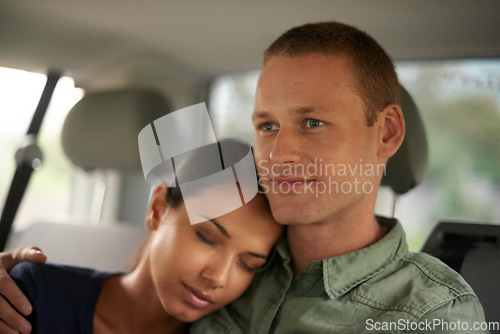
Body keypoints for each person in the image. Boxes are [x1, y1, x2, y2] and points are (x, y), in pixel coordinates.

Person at [0, 21, 488, 334]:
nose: (280, 153)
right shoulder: (236, 273)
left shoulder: (431, 316)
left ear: (385, 134)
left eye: (313, 123)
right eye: (267, 126)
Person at [1, 140, 284, 334]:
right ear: (158, 208)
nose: (219, 277)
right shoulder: (29, 296)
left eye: (248, 264)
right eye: (206, 237)